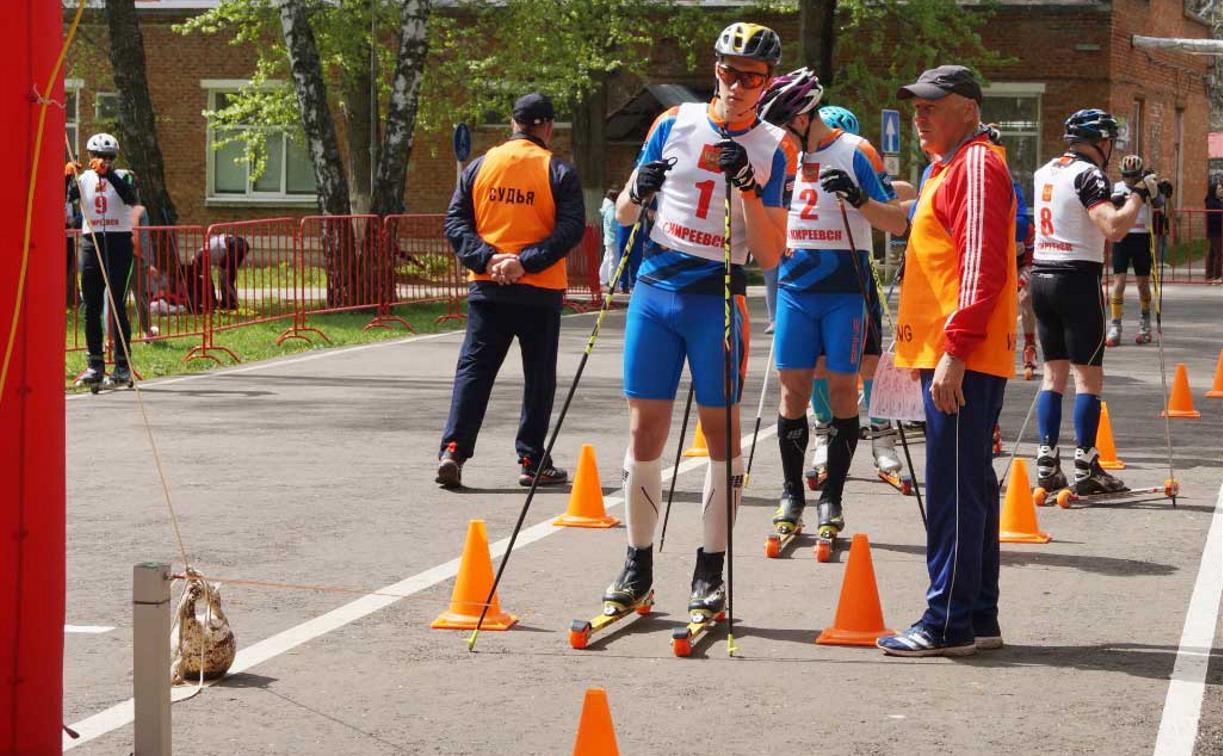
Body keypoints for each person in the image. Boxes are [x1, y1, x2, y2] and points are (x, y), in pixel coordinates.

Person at [599, 22, 790, 623]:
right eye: (728, 72)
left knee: (721, 438)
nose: (736, 86)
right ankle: (638, 565)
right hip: (656, 290)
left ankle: (710, 570)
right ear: (715, 69)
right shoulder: (672, 123)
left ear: (767, 83)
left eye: (751, 77)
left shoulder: (776, 145)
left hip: (718, 296)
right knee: (643, 433)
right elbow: (626, 210)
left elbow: (772, 254)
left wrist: (750, 191)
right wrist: (639, 187)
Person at [877, 66, 1017, 657]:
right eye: (915, 107)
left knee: (955, 491)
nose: (920, 116)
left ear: (966, 108)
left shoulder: (977, 166)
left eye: (931, 106)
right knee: (969, 487)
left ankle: (948, 622)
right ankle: (977, 615)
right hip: (953, 353)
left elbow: (980, 265)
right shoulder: (951, 167)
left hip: (963, 356)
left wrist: (954, 352)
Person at [755, 74, 906, 542]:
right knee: (793, 392)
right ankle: (791, 494)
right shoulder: (782, 157)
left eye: (783, 125)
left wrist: (859, 198)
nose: (779, 135)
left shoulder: (857, 150)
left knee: (844, 391)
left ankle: (833, 498)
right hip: (797, 289)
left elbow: (898, 222)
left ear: (802, 118)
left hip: (846, 290)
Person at [436, 92, 585, 489]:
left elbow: (455, 223)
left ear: (513, 122)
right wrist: (525, 261)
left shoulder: (481, 167)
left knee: (475, 371)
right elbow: (570, 229)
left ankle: (454, 449)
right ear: (548, 126)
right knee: (538, 377)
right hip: (539, 290)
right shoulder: (558, 170)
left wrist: (487, 259)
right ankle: (532, 459)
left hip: (488, 290)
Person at [1028, 110, 1157, 498]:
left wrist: (1118, 194)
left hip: (1041, 275)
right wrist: (1138, 194)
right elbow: (1114, 228)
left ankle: (1047, 460)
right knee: (1087, 377)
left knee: (1053, 376)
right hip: (1077, 279)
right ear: (1102, 142)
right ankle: (1086, 464)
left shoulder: (1046, 170)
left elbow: (1078, 207)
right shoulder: (1090, 173)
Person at [68, 133, 140, 387]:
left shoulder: (124, 175)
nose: (103, 161)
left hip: (119, 242)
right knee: (92, 306)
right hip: (92, 242)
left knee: (117, 304)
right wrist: (67, 176)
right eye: (98, 157)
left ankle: (122, 365)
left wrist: (108, 174)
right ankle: (94, 364)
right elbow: (65, 199)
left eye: (108, 158)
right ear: (90, 157)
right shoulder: (84, 177)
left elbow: (131, 198)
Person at [1106, 154, 1164, 346]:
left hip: (1142, 237)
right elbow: (1110, 206)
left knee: (1142, 283)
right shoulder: (1117, 187)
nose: (1130, 180)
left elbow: (1159, 203)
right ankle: (1115, 326)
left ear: (1139, 175)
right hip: (1122, 237)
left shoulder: (1146, 187)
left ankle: (1144, 324)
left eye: (1133, 176)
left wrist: (1157, 192)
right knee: (1119, 281)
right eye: (1127, 176)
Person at [598, 186, 618, 290]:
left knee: (607, 260)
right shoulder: (611, 209)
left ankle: (602, 280)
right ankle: (612, 283)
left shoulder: (607, 207)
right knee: (613, 262)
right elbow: (613, 224)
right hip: (613, 238)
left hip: (609, 238)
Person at [1206, 178, 1223, 282]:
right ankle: (1217, 276)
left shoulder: (1217, 201)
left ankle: (1210, 275)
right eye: (1220, 189)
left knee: (1213, 253)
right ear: (1214, 191)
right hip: (1215, 231)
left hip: (1217, 231)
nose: (1222, 190)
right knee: (1219, 253)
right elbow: (1215, 215)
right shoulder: (1211, 202)